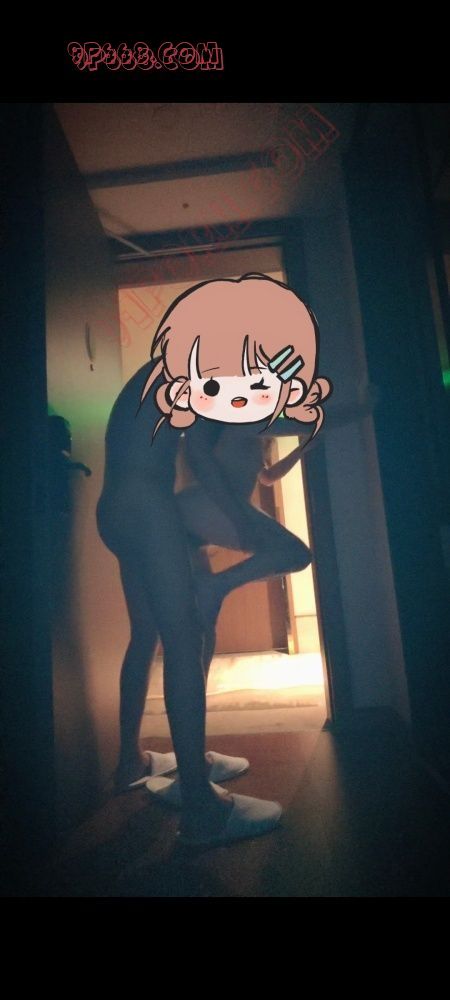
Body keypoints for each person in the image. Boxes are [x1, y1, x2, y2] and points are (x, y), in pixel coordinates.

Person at [96, 356, 283, 847]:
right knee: (186, 638)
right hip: (147, 505)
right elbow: (199, 451)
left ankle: (131, 763)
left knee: (145, 635)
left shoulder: (160, 368)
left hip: (115, 505)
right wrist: (236, 517)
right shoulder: (204, 364)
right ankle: (200, 805)